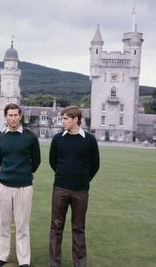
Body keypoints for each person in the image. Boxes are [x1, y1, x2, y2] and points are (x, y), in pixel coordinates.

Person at [49, 106, 100, 267]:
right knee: (56, 226)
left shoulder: (89, 140)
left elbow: (95, 165)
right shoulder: (58, 139)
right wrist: (63, 175)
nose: (62, 121)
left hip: (81, 190)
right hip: (60, 188)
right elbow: (53, 161)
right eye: (62, 118)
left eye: (65, 119)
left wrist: (83, 179)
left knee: (78, 228)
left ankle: (79, 263)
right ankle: (54, 263)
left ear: (76, 119)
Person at [0, 103, 41, 267]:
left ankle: (24, 261)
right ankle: (2, 256)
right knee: (4, 223)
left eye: (15, 115)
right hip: (4, 185)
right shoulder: (0, 138)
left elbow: (36, 161)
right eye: (10, 115)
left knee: (22, 225)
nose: (13, 118)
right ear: (5, 117)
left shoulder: (30, 137)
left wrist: (24, 173)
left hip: (24, 187)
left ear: (20, 116)